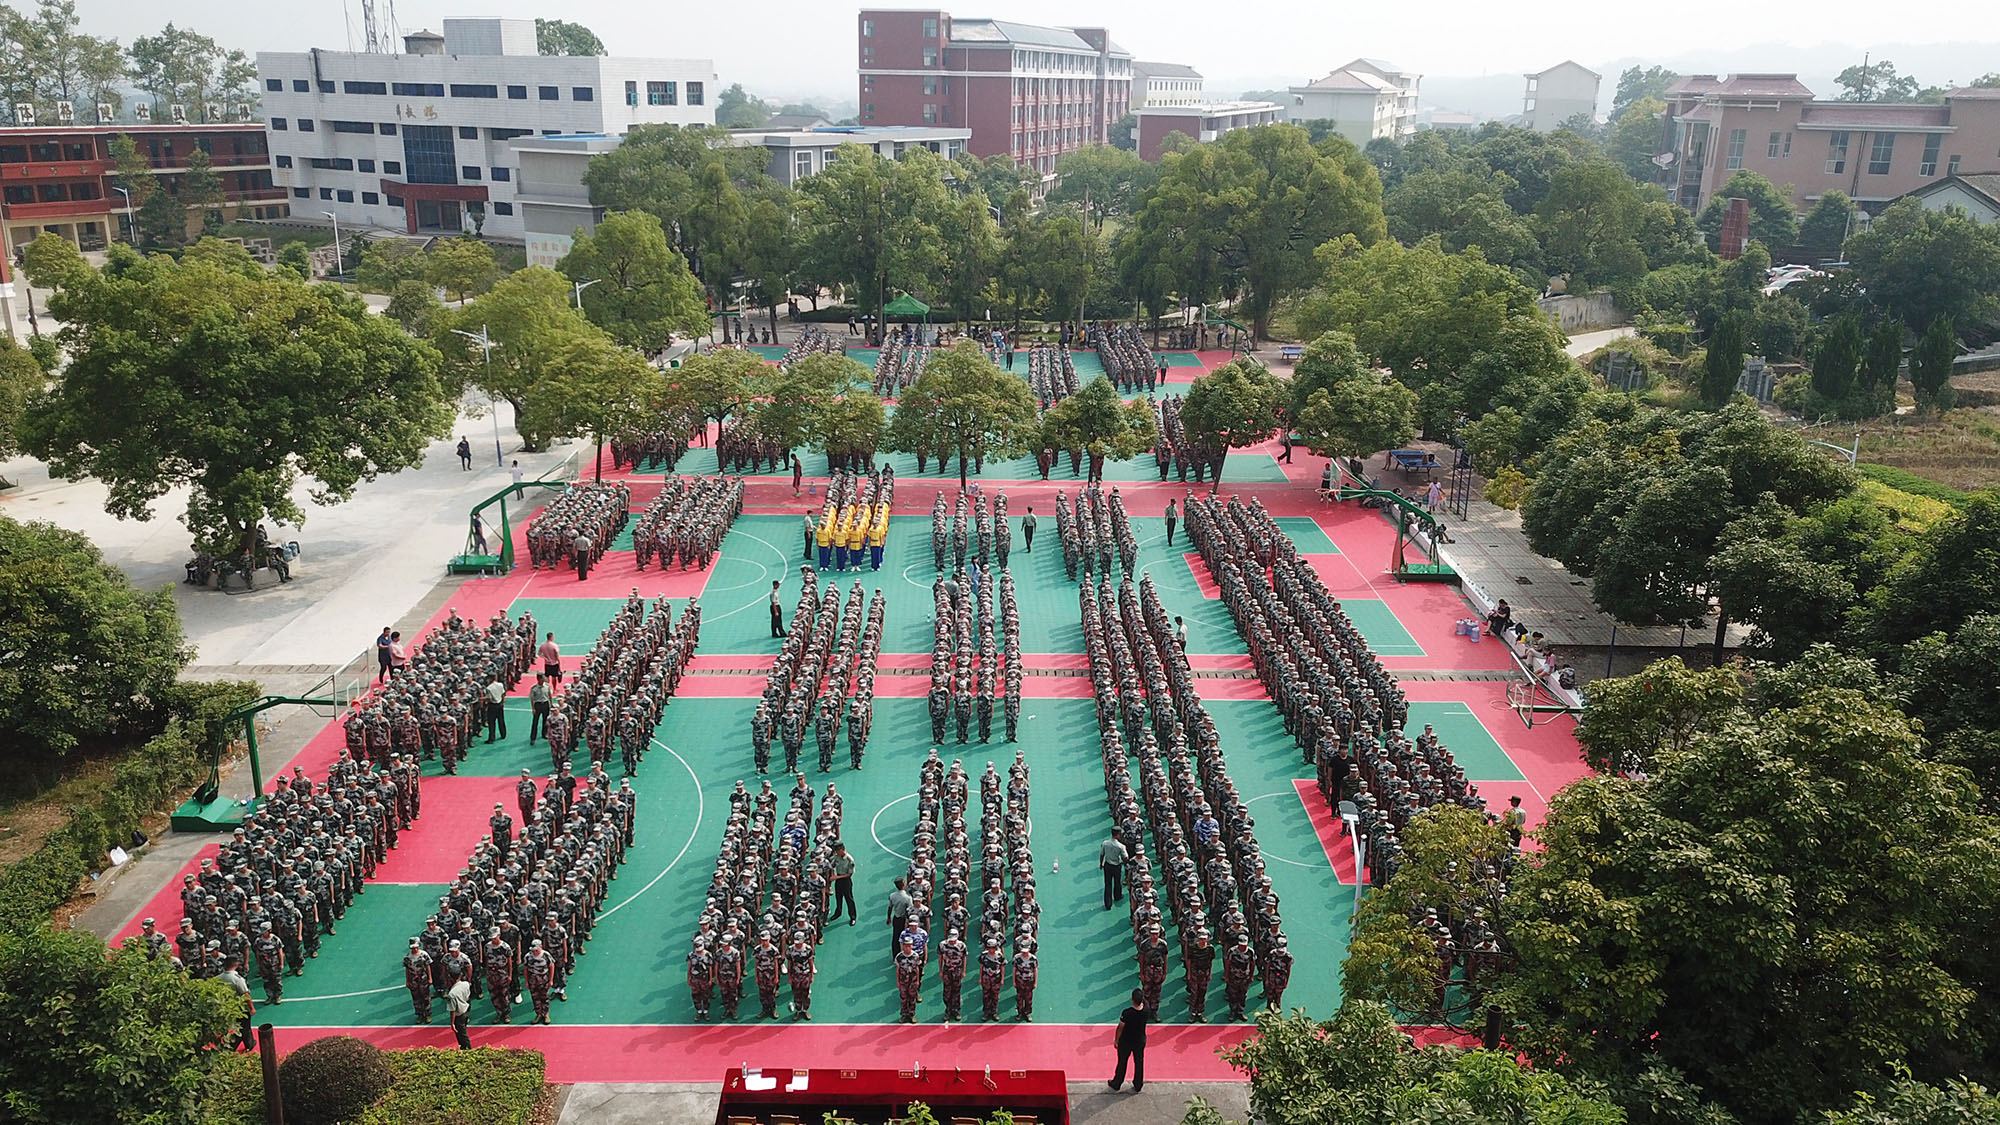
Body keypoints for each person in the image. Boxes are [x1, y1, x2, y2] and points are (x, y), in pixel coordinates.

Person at [1108, 987, 1151, 1092]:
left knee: (1122, 1062)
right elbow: (1144, 1002)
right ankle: (1138, 1084)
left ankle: (1117, 1083)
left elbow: (1120, 1028)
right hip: (1140, 1040)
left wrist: (1116, 1040)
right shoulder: (1146, 1009)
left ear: (1132, 999)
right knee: (1139, 1062)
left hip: (1126, 1042)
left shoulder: (1127, 1013)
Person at [217, 957, 255, 1050]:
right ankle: (232, 1046)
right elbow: (245, 994)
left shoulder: (218, 978)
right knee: (244, 1027)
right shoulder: (237, 979)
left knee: (243, 1027)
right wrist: (252, 1007)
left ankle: (249, 1044)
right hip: (240, 1008)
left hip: (227, 1007)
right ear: (236, 965)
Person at [828, 842, 857, 925]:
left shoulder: (849, 859)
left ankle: (853, 917)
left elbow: (849, 874)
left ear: (841, 849)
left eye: (837, 850)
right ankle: (838, 912)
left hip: (846, 881)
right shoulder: (837, 857)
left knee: (849, 899)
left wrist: (836, 877)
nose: (836, 852)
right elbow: (832, 866)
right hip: (838, 879)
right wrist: (833, 874)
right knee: (838, 897)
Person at [886, 876, 913, 960]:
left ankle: (895, 956)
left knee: (895, 937)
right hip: (904, 919)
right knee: (905, 937)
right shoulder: (908, 898)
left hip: (896, 918)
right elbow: (910, 911)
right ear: (904, 884)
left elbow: (890, 907)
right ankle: (905, 954)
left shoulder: (892, 896)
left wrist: (889, 918)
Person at [1099, 833, 1127, 911]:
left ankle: (1108, 903)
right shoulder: (1121, 846)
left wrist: (1101, 864)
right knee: (1117, 882)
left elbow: (1101, 854)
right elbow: (1126, 857)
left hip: (1107, 865)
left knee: (1108, 884)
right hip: (1116, 866)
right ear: (1118, 834)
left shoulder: (1105, 843)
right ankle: (1117, 896)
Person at [446, 975, 473, 1048]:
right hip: (465, 1011)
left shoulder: (452, 994)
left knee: (462, 1036)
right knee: (463, 1034)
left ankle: (468, 1050)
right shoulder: (466, 984)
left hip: (459, 1017)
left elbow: (453, 1010)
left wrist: (452, 1023)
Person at [528, 674, 553, 743]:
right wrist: (533, 708)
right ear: (538, 679)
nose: (543, 680)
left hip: (545, 704)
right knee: (535, 721)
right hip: (538, 705)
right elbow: (532, 699)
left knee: (545, 720)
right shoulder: (534, 688)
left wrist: (551, 704)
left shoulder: (547, 686)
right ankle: (533, 737)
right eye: (542, 679)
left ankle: (544, 733)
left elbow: (550, 696)